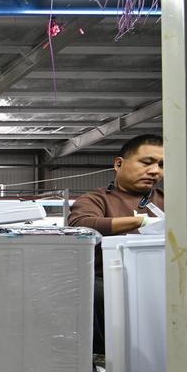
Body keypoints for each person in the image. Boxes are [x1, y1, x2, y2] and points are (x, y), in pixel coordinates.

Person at [68, 133, 165, 355]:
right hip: (109, 279)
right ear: (119, 163)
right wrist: (141, 221)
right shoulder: (96, 200)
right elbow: (81, 225)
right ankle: (102, 359)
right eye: (147, 162)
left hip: (161, 279)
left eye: (161, 165)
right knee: (94, 292)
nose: (155, 171)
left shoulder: (171, 200)